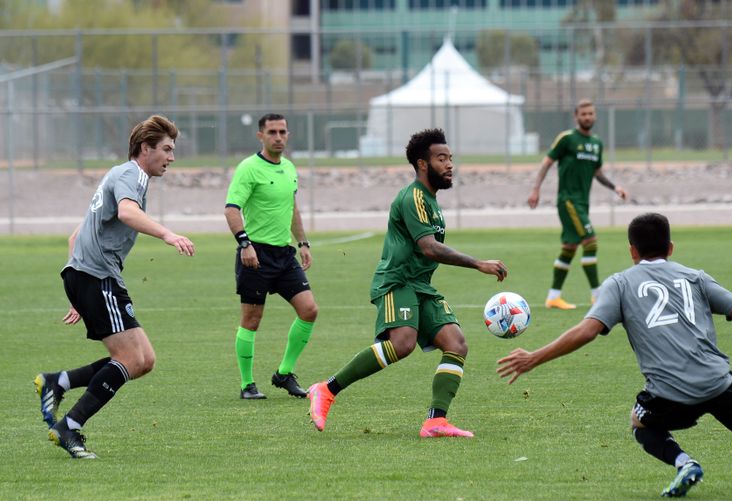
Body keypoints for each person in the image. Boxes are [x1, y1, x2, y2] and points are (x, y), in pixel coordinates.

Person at [497, 212, 732, 497]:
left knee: (639, 421)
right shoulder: (696, 277)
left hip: (671, 394)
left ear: (632, 251)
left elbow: (587, 331)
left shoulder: (620, 283)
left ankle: (684, 463)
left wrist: (534, 357)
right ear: (670, 247)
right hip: (719, 382)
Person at [307, 128, 508, 438]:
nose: (450, 164)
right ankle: (326, 389)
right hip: (397, 281)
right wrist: (478, 263)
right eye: (442, 159)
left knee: (456, 343)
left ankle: (435, 421)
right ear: (422, 164)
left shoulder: (432, 201)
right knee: (402, 344)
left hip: (420, 285)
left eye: (451, 158)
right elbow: (429, 248)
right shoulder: (413, 197)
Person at [34, 115, 195, 459]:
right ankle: (70, 426)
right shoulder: (130, 174)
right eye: (166, 149)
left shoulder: (118, 174)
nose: (171, 157)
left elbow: (75, 236)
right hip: (97, 277)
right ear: (144, 148)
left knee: (143, 359)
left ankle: (57, 382)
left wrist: (78, 291)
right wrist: (168, 234)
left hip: (87, 276)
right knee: (130, 359)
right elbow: (126, 213)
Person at [224, 113, 318, 400]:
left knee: (309, 310)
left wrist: (302, 242)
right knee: (252, 319)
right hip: (256, 254)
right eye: (272, 132)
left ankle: (284, 373)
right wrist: (245, 244)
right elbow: (231, 208)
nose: (278, 137)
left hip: (284, 255)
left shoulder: (289, 168)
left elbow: (292, 207)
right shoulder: (249, 168)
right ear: (260, 136)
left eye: (283, 132)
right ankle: (247, 385)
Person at [528, 98, 628, 310]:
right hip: (568, 201)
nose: (587, 117)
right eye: (583, 114)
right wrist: (536, 189)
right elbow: (546, 163)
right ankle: (597, 295)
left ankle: (553, 297)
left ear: (595, 116)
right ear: (576, 116)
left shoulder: (597, 143)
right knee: (590, 242)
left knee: (569, 248)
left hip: (583, 203)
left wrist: (614, 187)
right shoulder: (566, 139)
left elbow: (597, 172)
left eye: (591, 113)